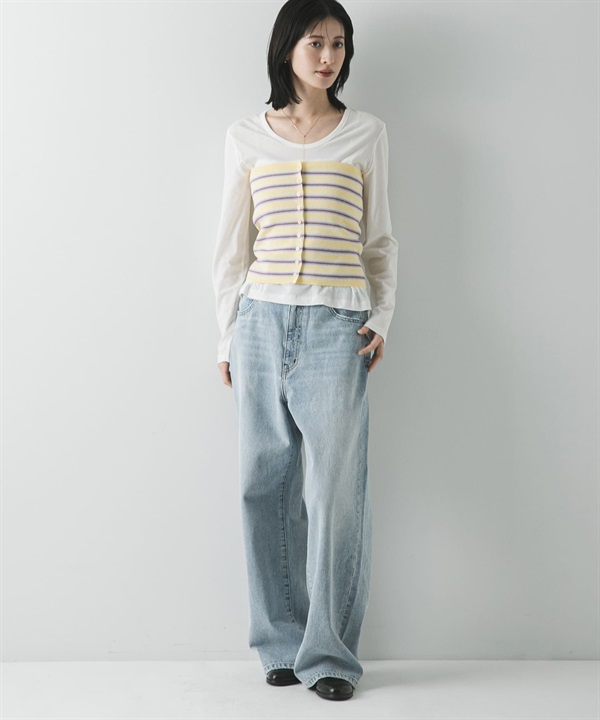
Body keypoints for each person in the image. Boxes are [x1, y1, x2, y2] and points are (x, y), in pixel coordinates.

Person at [211, 0, 397, 702]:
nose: (328, 57)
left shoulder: (367, 133)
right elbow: (232, 248)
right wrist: (226, 333)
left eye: (339, 44)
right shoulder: (245, 137)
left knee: (335, 493)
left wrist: (383, 317)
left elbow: (380, 241)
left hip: (335, 326)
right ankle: (280, 644)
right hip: (260, 322)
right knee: (264, 483)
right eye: (315, 42)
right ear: (287, 48)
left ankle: (330, 656)